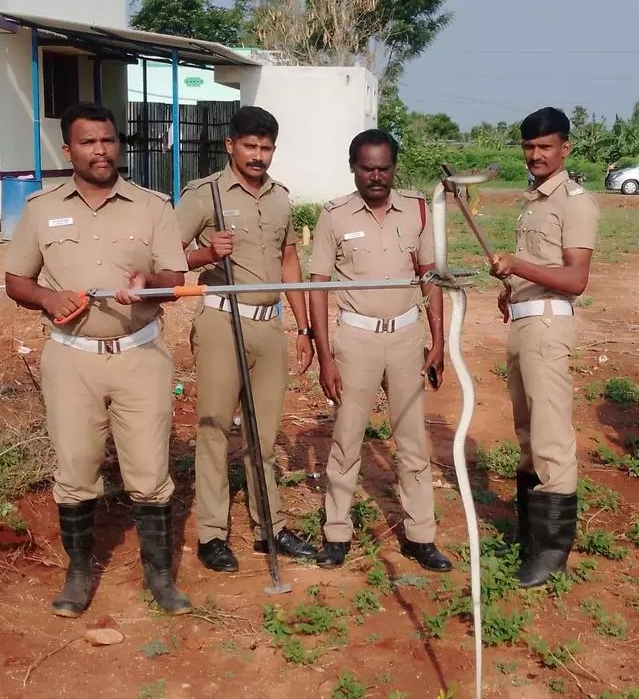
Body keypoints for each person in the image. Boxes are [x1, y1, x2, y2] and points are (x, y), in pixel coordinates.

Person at [4, 102, 192, 617]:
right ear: (68, 150)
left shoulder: (152, 206)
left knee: (150, 471)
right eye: (88, 142)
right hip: (71, 360)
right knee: (76, 467)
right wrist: (47, 299)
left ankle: (159, 576)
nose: (101, 150)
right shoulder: (42, 208)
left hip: (140, 357)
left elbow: (174, 278)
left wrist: (147, 284)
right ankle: (79, 573)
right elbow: (15, 281)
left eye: (108, 140)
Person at [175, 106, 316, 573]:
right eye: (250, 146)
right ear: (230, 145)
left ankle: (269, 526)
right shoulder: (204, 194)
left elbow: (290, 258)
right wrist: (205, 252)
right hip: (221, 320)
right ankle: (213, 534)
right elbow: (167, 257)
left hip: (268, 326)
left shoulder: (280, 198)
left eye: (267, 147)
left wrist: (304, 326)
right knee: (215, 428)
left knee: (265, 434)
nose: (259, 156)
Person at [308, 129, 452, 572]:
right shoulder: (333, 216)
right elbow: (316, 288)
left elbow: (430, 277)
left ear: (394, 168)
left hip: (408, 339)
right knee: (348, 440)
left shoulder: (417, 211)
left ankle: (420, 535)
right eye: (367, 168)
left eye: (384, 168)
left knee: (411, 441)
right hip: (356, 340)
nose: (376, 176)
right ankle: (336, 532)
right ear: (353, 167)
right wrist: (325, 356)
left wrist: (439, 339)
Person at [490, 107, 599, 588]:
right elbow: (540, 264)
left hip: (549, 329)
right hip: (523, 323)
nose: (536, 155)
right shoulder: (533, 202)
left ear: (565, 149)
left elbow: (575, 279)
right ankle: (531, 539)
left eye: (546, 147)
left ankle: (552, 554)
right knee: (528, 436)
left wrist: (517, 265)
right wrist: (510, 285)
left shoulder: (574, 202)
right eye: (530, 147)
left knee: (551, 436)